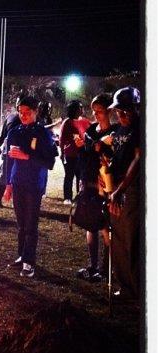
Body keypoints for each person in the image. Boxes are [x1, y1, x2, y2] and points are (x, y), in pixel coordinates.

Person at [3, 96, 58, 277]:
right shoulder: (15, 131)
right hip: (18, 182)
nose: (24, 116)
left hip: (34, 184)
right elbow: (9, 161)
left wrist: (28, 156)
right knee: (21, 223)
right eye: (21, 112)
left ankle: (29, 261)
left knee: (31, 224)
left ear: (35, 112)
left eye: (28, 113)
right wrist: (8, 185)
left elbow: (49, 162)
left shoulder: (43, 133)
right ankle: (22, 255)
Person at [103, 87, 141, 299]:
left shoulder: (140, 129)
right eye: (118, 111)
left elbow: (138, 159)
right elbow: (116, 155)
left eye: (126, 111)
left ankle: (137, 289)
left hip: (131, 190)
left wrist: (121, 189)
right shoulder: (119, 130)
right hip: (115, 188)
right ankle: (125, 286)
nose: (121, 115)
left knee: (131, 239)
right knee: (117, 238)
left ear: (136, 108)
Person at [75, 93, 117, 282]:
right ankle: (93, 266)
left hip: (108, 185)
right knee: (91, 224)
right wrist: (82, 147)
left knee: (106, 228)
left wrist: (103, 149)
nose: (96, 115)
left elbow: (118, 158)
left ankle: (105, 268)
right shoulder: (91, 130)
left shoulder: (117, 132)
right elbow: (85, 158)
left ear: (109, 111)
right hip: (91, 184)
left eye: (99, 111)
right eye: (94, 111)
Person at [0, 96, 22, 208]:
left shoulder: (30, 119)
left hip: (21, 153)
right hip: (7, 152)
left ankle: (17, 201)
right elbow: (3, 133)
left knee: (18, 177)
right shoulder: (11, 117)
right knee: (3, 176)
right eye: (19, 104)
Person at [59, 100, 90, 205]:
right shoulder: (67, 122)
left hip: (82, 153)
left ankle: (80, 196)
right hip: (70, 154)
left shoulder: (85, 121)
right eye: (79, 108)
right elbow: (61, 139)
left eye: (81, 107)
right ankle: (67, 197)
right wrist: (62, 153)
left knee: (81, 176)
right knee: (69, 176)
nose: (81, 110)